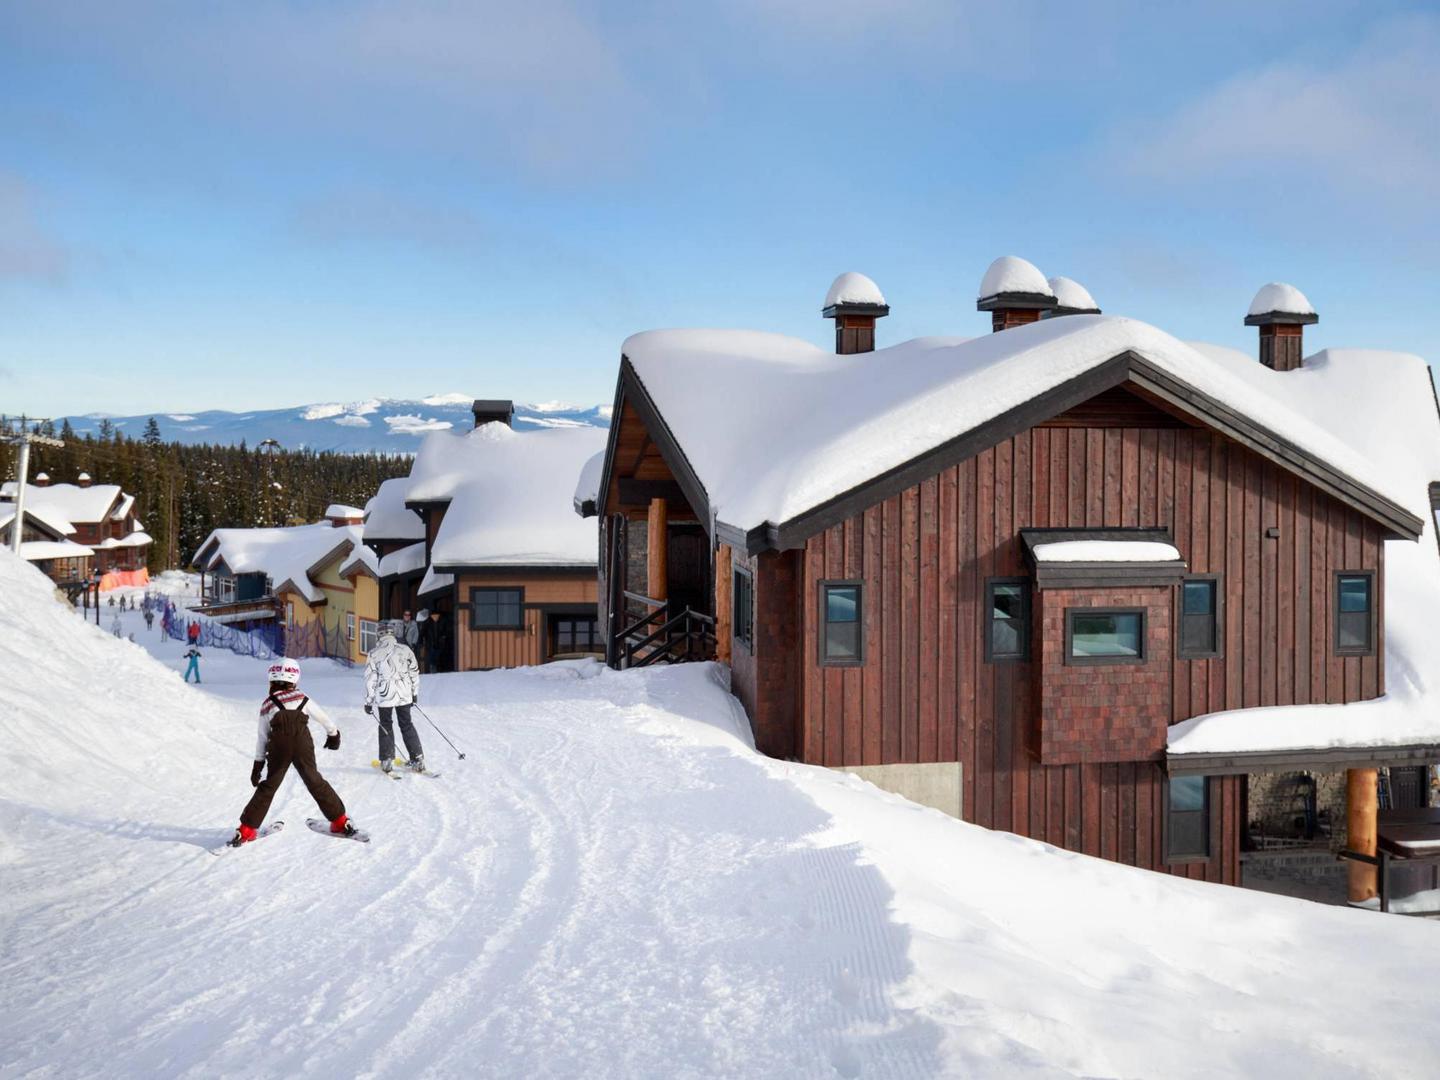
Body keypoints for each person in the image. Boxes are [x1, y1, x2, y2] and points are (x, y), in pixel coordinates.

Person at [229, 658, 356, 846]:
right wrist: (333, 734)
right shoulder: (302, 698)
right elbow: (324, 718)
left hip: (278, 746)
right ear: (295, 678)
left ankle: (246, 830)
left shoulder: (268, 704)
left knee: (269, 785)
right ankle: (340, 822)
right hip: (302, 744)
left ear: (271, 680)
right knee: (314, 780)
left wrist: (258, 764)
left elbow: (262, 737)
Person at [363, 621, 426, 774]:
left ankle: (387, 760)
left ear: (379, 634)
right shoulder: (405, 650)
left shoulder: (374, 653)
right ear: (394, 633)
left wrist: (369, 701)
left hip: (385, 696)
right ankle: (418, 759)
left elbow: (370, 678)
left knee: (386, 724)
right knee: (406, 724)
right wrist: (414, 692)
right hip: (404, 694)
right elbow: (414, 672)